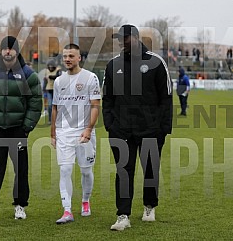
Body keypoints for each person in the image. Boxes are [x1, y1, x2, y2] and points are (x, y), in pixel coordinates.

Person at [102, 24, 173, 231]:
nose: (120, 42)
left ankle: (149, 206)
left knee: (150, 170)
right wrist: (110, 125)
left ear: (134, 38)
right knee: (123, 171)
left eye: (124, 38)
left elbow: (166, 98)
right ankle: (123, 215)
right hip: (121, 130)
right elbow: (107, 98)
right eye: (118, 39)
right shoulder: (113, 65)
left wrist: (163, 130)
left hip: (151, 129)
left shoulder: (156, 62)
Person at [0, 36, 42, 222]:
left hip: (18, 130)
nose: (8, 51)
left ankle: (20, 205)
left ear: (17, 51)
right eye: (5, 48)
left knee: (20, 168)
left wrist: (26, 127)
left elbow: (35, 102)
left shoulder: (28, 74)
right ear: (1, 51)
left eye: (11, 48)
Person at [51, 43, 101, 224]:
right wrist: (53, 133)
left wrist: (89, 129)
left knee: (86, 171)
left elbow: (96, 105)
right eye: (65, 56)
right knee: (65, 169)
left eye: (71, 56)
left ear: (79, 58)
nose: (67, 59)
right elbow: (55, 108)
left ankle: (85, 201)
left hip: (83, 132)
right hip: (64, 132)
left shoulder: (90, 78)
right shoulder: (58, 81)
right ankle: (67, 211)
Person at [44, 59, 61, 124]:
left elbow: (58, 77)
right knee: (50, 105)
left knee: (57, 104)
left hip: (56, 89)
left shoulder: (58, 70)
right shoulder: (47, 71)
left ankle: (58, 118)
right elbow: (45, 80)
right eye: (49, 66)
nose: (50, 67)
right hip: (49, 88)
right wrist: (43, 89)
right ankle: (50, 119)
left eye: (52, 66)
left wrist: (51, 77)